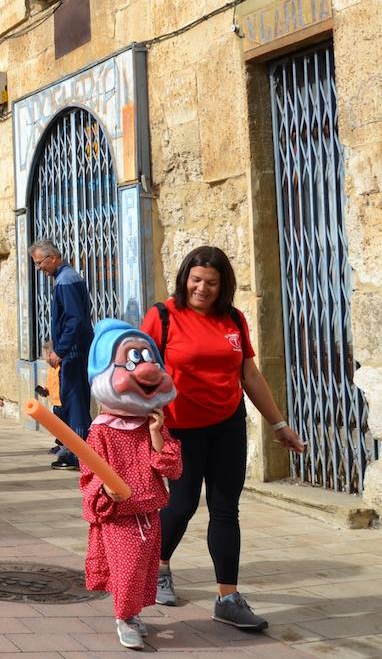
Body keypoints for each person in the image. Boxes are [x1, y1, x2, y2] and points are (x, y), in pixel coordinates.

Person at [139, 246, 305, 631]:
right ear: (184, 279)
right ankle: (159, 566)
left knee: (225, 508)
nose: (202, 288)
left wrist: (280, 425)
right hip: (180, 427)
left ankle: (227, 598)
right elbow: (138, 369)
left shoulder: (233, 319)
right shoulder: (162, 316)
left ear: (223, 284)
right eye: (196, 280)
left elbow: (250, 376)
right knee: (180, 506)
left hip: (227, 424)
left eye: (211, 282)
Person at [80, 319, 181, 650]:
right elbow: (89, 471)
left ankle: (132, 613)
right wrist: (104, 489)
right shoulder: (102, 430)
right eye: (133, 359)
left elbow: (170, 466)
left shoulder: (152, 424)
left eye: (148, 357)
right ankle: (124, 618)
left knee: (143, 568)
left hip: (149, 510)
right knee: (127, 567)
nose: (147, 369)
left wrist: (155, 433)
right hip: (120, 515)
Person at [30, 239, 94, 469]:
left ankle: (79, 455)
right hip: (74, 350)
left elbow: (74, 320)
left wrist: (60, 349)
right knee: (71, 402)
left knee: (74, 403)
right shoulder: (65, 278)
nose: (38, 268)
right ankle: (74, 451)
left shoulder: (66, 280)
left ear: (53, 258)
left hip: (74, 352)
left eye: (39, 263)